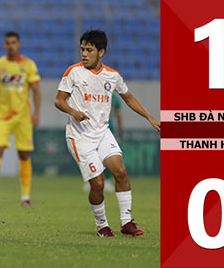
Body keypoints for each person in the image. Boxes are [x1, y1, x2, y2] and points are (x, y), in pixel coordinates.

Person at [54, 30, 160, 237]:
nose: (84, 54)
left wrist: (149, 117)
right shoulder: (73, 72)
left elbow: (128, 98)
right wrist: (74, 112)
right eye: (82, 49)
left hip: (102, 133)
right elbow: (58, 101)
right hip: (79, 136)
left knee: (120, 171)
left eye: (89, 50)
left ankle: (127, 222)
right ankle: (102, 225)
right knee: (99, 183)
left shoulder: (112, 76)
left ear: (101, 52)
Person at [0, 31, 41, 207]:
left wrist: (36, 114)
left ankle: (25, 197)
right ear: (4, 45)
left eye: (14, 42)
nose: (11, 45)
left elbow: (36, 90)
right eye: (8, 43)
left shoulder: (28, 65)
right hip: (3, 116)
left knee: (24, 154)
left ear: (19, 44)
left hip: (23, 117)